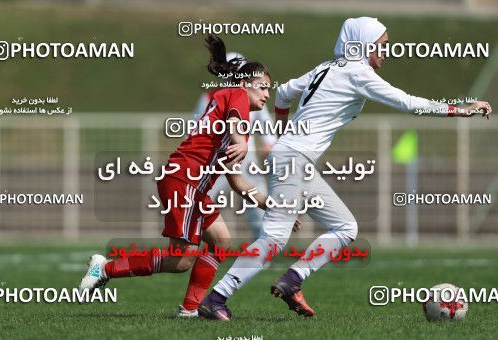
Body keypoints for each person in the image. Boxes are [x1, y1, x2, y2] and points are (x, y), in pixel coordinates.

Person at [200, 17, 492, 320]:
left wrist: (284, 134)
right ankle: (217, 299)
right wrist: (461, 109)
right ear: (363, 44)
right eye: (382, 45)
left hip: (294, 160)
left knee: (345, 227)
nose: (386, 51)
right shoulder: (358, 72)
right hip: (293, 160)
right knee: (273, 238)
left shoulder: (327, 67)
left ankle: (292, 280)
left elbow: (285, 91)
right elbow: (407, 102)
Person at [78, 35, 282, 315]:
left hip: (191, 185)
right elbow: (235, 124)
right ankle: (106, 268)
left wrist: (273, 207)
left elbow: (237, 181)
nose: (268, 95)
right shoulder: (236, 97)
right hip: (184, 179)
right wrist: (242, 142)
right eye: (263, 88)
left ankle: (190, 309)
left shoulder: (237, 113)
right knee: (182, 260)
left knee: (221, 241)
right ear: (245, 83)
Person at [191, 52, 277, 241]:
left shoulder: (252, 97)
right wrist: (240, 144)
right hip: (217, 160)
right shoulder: (213, 97)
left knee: (255, 203)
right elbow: (198, 128)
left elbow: (265, 124)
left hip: (244, 160)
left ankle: (263, 245)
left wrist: (269, 143)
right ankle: (195, 239)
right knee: (203, 200)